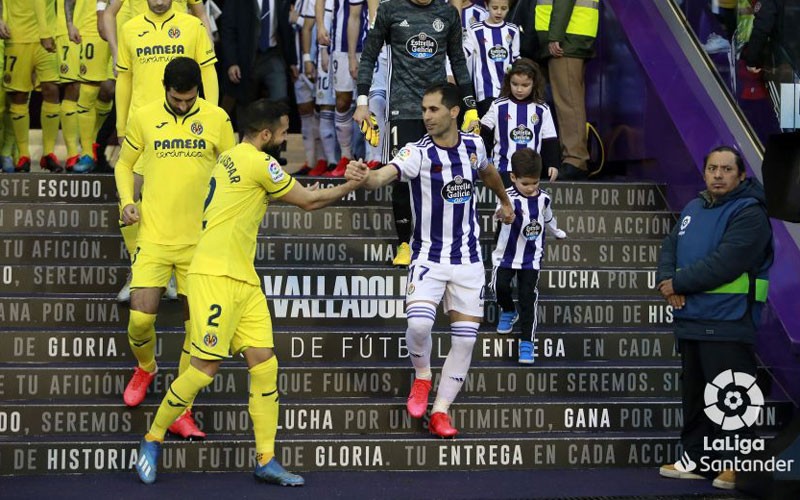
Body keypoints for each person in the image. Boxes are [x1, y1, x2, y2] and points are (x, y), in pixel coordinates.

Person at [135, 98, 365, 486]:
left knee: (264, 363)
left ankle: (266, 459)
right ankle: (152, 438)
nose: (285, 138)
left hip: (242, 276)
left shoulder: (232, 157)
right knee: (204, 368)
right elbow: (309, 202)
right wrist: (351, 183)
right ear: (265, 135)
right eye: (282, 132)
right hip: (215, 276)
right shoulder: (258, 162)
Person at [346, 83, 514, 438]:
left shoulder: (473, 145)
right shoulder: (416, 152)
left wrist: (504, 200)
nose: (426, 116)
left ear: (454, 112)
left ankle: (441, 411)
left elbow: (487, 171)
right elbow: (383, 176)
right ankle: (422, 376)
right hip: (428, 257)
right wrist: (366, 177)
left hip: (468, 260)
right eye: (424, 110)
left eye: (433, 110)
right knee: (420, 327)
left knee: (466, 340)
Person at [114, 57, 235, 439]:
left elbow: (235, 170)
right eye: (176, 99)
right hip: (152, 236)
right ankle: (146, 367)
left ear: (198, 89)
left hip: (199, 243)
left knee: (193, 325)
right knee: (140, 319)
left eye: (189, 99)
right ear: (165, 88)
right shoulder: (145, 116)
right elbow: (124, 164)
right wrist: (125, 201)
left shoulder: (217, 119)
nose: (183, 105)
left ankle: (182, 407)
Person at [656, 146, 773, 490]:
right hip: (691, 317)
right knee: (695, 397)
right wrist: (667, 282)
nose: (718, 175)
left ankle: (740, 466)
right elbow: (669, 247)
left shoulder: (750, 212)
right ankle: (697, 460)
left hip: (728, 321)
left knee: (733, 397)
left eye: (725, 169)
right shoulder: (694, 207)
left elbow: (726, 262)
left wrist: (677, 282)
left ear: (740, 176)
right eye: (712, 168)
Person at [354, 0, 481, 267]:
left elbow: (458, 59)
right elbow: (369, 55)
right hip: (403, 108)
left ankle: (441, 239)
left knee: (445, 173)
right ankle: (404, 243)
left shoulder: (447, 13)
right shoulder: (390, 10)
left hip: (440, 108)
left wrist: (470, 107)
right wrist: (362, 102)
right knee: (401, 175)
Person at [113, 0, 218, 303]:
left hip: (186, 128)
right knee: (128, 197)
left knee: (180, 198)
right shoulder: (130, 29)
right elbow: (124, 79)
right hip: (143, 128)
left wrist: (211, 117)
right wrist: (121, 128)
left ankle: (174, 270)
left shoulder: (192, 26)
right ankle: (139, 270)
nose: (159, 1)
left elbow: (208, 72)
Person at [489, 148, 565, 364]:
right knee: (498, 287)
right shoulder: (507, 197)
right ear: (513, 178)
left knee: (528, 298)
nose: (531, 188)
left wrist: (556, 232)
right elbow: (498, 213)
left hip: (531, 258)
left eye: (535, 183)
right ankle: (508, 309)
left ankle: (526, 343)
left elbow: (548, 219)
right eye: (525, 184)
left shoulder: (544, 199)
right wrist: (504, 216)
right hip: (506, 255)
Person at [534, 0, 599, 180]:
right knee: (570, 101)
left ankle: (575, 160)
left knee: (568, 103)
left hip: (565, 40)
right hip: (572, 36)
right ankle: (574, 158)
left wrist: (555, 36)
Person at [2, 0, 62, 172]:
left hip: (47, 36)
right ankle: (23, 155)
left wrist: (47, 31)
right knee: (18, 96)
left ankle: (49, 154)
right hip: (17, 36)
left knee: (51, 89)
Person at [480, 57, 560, 185]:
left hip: (531, 171)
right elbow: (483, 134)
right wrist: (484, 160)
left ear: (534, 83)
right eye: (515, 84)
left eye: (525, 85)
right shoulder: (498, 105)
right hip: (503, 169)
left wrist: (553, 164)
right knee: (506, 203)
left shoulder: (542, 109)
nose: (519, 89)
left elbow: (549, 140)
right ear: (508, 82)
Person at [220, 0, 297, 128]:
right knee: (245, 104)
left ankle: (277, 145)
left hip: (273, 55)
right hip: (246, 58)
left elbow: (286, 30)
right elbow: (228, 29)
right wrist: (232, 62)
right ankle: (246, 144)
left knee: (280, 101)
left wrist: (292, 61)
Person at [464, 0, 520, 116]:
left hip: (508, 89)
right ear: (487, 6)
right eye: (495, 8)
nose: (499, 12)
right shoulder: (475, 29)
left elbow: (516, 57)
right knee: (487, 128)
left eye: (503, 8)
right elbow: (464, 53)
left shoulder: (513, 30)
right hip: (485, 90)